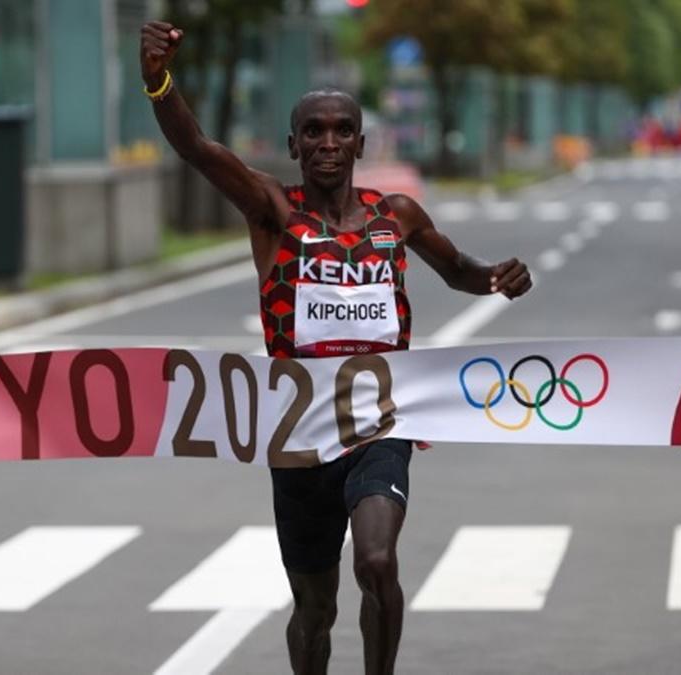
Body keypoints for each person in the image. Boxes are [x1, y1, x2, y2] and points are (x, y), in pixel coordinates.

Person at [143, 22, 532, 674]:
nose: (329, 142)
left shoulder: (396, 214)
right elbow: (198, 149)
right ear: (294, 145)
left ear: (360, 140)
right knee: (314, 609)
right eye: (314, 131)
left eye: (341, 130)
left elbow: (457, 266)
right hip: (298, 432)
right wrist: (158, 81)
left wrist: (495, 277)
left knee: (378, 561)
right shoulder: (272, 207)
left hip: (380, 419)